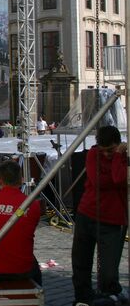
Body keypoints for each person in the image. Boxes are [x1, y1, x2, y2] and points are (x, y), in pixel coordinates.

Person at [72, 125, 128, 306]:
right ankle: (82, 298)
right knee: (81, 262)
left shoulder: (122, 156)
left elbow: (119, 179)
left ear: (118, 145)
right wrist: (115, 169)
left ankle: (112, 291)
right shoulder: (92, 154)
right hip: (86, 213)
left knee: (108, 271)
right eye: (103, 151)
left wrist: (118, 157)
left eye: (110, 150)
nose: (106, 155)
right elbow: (98, 181)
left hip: (112, 220)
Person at [0, 161, 42, 286]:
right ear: (21, 180)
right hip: (21, 268)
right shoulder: (32, 204)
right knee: (34, 267)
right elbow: (27, 231)